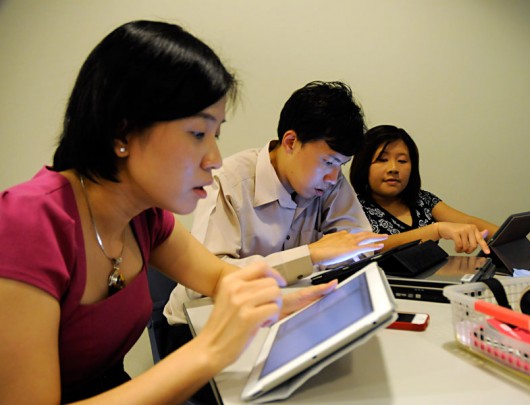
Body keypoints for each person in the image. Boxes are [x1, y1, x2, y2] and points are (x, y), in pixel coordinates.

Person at [0, 20, 336, 404]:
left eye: (216, 135)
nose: (214, 159)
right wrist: (208, 351)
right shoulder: (27, 223)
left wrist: (284, 299)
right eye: (197, 134)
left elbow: (223, 278)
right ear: (122, 132)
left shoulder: (145, 216)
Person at [165, 81, 388, 327]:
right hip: (200, 322)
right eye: (328, 161)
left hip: (282, 313)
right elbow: (205, 282)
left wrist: (330, 254)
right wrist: (310, 255)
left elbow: (361, 244)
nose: (333, 177)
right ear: (291, 142)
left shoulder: (329, 182)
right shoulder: (228, 181)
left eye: (341, 165)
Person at [349, 124, 499, 255]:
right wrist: (436, 230)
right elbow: (369, 247)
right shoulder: (353, 208)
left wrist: (506, 237)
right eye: (382, 159)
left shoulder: (422, 200)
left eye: (402, 161)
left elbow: (467, 222)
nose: (394, 168)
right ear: (363, 165)